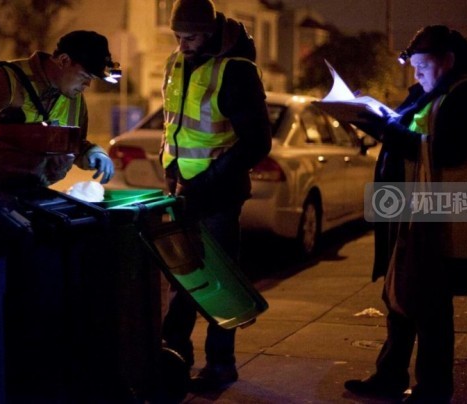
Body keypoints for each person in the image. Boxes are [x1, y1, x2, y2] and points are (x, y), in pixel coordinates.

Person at [344, 25, 467, 403]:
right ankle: (390, 376)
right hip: (408, 211)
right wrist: (372, 117)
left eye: (422, 65)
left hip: (436, 217)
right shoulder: (429, 94)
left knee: (431, 306)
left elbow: (445, 151)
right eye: (412, 66)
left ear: (448, 61)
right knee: (399, 296)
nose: (416, 73)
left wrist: (382, 129)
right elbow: (406, 130)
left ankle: (433, 389)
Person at [159, 0, 272, 392]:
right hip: (180, 187)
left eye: (189, 37)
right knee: (182, 276)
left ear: (209, 31)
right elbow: (174, 125)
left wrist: (209, 180)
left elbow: (257, 142)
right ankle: (173, 355)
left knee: (218, 282)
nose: (182, 44)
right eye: (177, 36)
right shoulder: (177, 62)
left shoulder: (236, 70)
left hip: (218, 193)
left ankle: (221, 365)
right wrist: (172, 174)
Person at [0, 30, 117, 187]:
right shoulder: (8, 78)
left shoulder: (75, 99)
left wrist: (92, 153)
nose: (88, 84)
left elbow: (72, 145)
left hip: (31, 193)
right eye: (84, 76)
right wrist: (3, 125)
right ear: (64, 60)